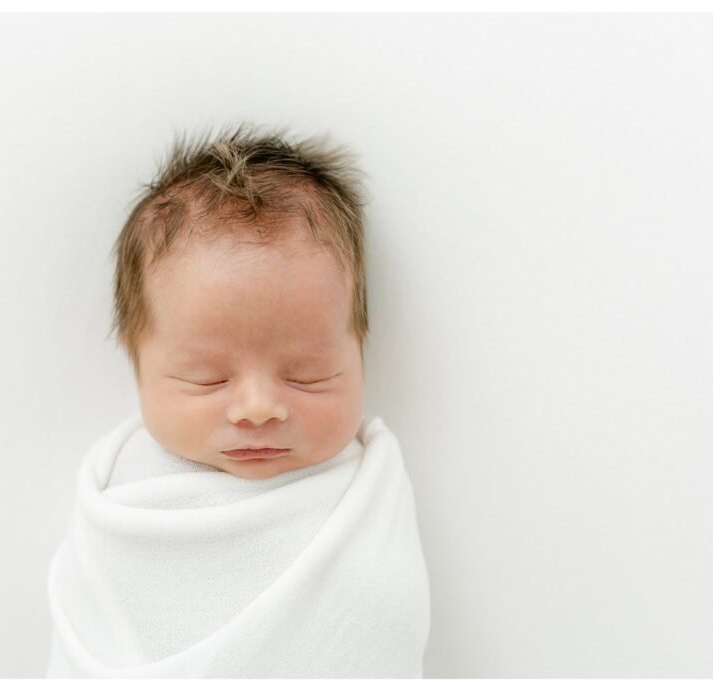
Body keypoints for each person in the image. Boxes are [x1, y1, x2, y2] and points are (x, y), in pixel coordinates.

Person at [46, 123, 430, 678]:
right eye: (207, 379)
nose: (257, 407)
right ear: (137, 359)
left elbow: (378, 627)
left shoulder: (371, 492)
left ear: (359, 346)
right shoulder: (123, 499)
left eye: (307, 374)